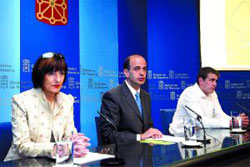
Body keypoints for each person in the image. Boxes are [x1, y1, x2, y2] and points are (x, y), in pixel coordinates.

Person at [4, 52, 90, 161]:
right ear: (40, 75)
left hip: (55, 162)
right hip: (21, 163)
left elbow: (69, 135)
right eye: (51, 73)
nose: (58, 79)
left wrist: (75, 144)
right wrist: (56, 148)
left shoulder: (67, 100)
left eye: (62, 73)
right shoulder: (21, 101)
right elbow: (22, 145)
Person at [100, 54, 163, 144]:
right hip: (122, 154)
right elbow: (108, 135)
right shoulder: (113, 96)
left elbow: (148, 127)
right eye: (137, 69)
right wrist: (140, 137)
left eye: (144, 69)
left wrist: (153, 133)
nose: (142, 73)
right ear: (126, 72)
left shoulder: (146, 96)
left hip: (144, 152)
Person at [169, 67, 249, 135]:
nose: (215, 84)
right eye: (212, 80)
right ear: (200, 81)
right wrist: (231, 123)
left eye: (216, 81)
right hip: (182, 137)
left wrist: (235, 120)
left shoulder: (212, 93)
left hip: (204, 134)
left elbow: (220, 115)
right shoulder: (189, 94)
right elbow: (200, 122)